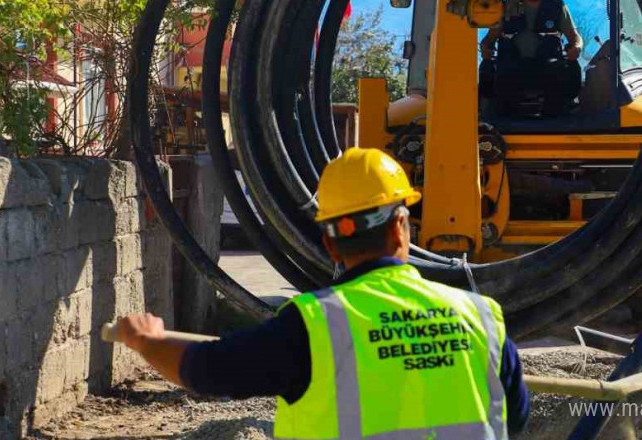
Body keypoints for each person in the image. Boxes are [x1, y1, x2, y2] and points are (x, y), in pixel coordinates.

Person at [116, 147, 530, 439]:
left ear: (330, 245)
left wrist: (147, 340)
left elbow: (206, 371)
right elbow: (514, 420)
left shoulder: (313, 327)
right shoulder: (481, 316)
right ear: (402, 227)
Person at [480, 0, 584, 115]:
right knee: (497, 71)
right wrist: (485, 48)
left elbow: (575, 37)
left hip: (548, 65)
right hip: (512, 66)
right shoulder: (506, 6)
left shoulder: (557, 5)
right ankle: (503, 117)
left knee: (563, 70)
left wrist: (577, 48)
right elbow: (489, 39)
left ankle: (555, 117)